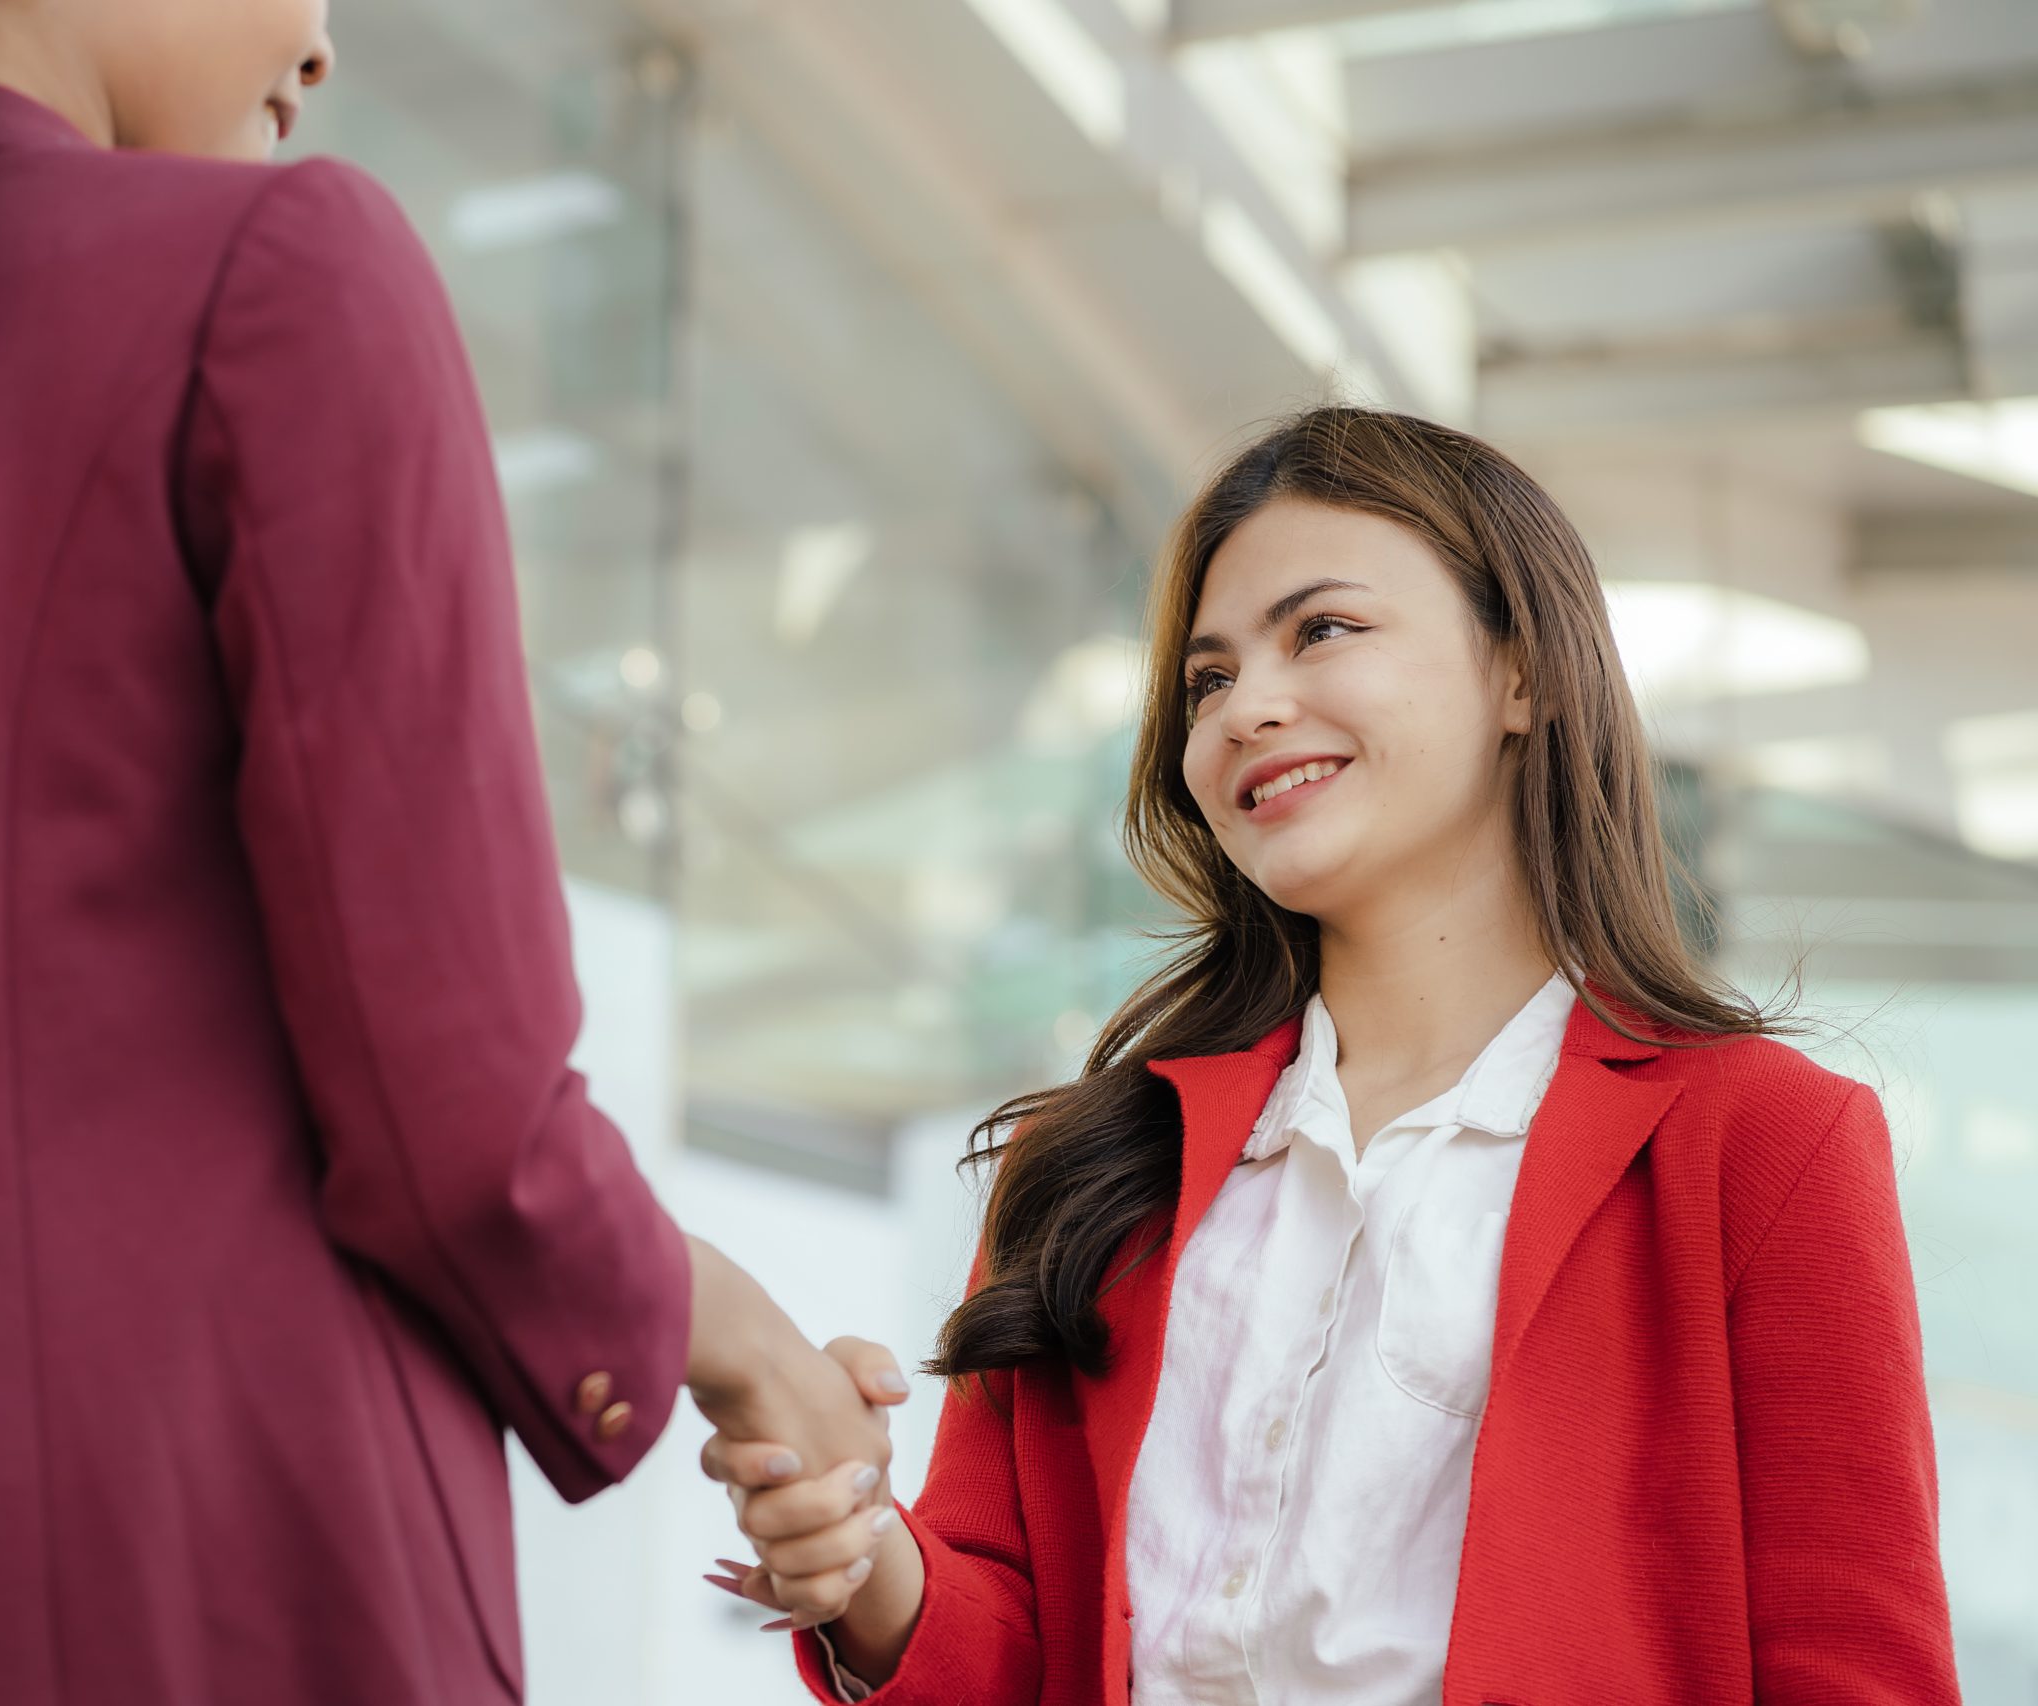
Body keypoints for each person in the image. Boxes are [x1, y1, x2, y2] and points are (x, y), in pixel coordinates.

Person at [0, 3, 888, 1703]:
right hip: (225, 1605)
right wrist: (734, 1340)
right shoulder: (283, 279)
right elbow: (454, 1105)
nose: (317, 47)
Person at [702, 407, 1962, 1705]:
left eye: (1323, 630)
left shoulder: (1757, 1143)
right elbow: (1015, 1654)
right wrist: (857, 1550)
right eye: (1208, 678)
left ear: (1520, 672)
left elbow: (1859, 1673)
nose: (1248, 706)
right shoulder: (1092, 1166)